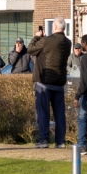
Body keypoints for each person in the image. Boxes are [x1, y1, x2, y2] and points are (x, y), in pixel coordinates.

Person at [29, 18, 71, 149]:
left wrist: (36, 37)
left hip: (45, 82)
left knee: (43, 112)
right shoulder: (68, 42)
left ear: (54, 27)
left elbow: (31, 49)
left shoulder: (46, 41)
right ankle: (60, 141)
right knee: (59, 113)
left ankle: (44, 139)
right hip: (59, 81)